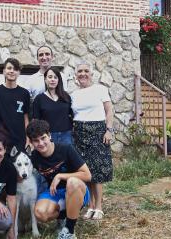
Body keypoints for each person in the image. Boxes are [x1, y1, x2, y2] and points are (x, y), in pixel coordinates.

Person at [26, 120, 92, 239]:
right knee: (40, 213)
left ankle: (69, 231)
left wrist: (60, 176)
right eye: (36, 140)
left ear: (49, 135)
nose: (41, 143)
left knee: (72, 182)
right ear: (31, 142)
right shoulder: (34, 157)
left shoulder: (66, 149)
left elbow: (87, 175)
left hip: (77, 190)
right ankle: (62, 218)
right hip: (55, 192)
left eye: (43, 138)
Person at [71, 62, 114, 220]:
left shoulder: (100, 89)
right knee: (86, 171)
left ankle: (99, 207)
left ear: (91, 74)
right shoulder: (73, 94)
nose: (83, 74)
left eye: (86, 71)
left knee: (97, 170)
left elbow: (109, 110)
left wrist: (109, 130)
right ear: (76, 75)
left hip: (97, 132)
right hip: (79, 134)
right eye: (79, 71)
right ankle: (90, 205)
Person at [0, 58, 30, 150]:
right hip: (0, 140)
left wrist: (28, 139)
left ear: (19, 73)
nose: (12, 71)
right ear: (4, 71)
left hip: (20, 140)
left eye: (15, 69)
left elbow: (25, 118)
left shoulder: (24, 93)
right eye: (9, 68)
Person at [32, 67, 73, 144]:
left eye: (55, 77)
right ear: (45, 79)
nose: (52, 79)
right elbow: (35, 121)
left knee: (66, 156)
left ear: (58, 80)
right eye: (50, 77)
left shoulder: (66, 97)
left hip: (66, 136)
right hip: (47, 137)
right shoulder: (39, 99)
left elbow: (72, 115)